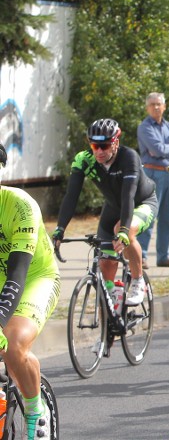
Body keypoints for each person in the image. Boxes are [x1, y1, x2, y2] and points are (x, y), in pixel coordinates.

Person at [53, 119, 158, 308]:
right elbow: (71, 196)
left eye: (105, 146)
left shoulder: (129, 157)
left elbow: (128, 197)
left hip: (141, 203)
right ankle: (107, 330)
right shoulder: (83, 160)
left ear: (116, 142)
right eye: (95, 145)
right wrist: (60, 229)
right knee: (105, 270)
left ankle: (137, 280)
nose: (99, 151)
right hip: (112, 208)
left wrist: (124, 231)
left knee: (122, 229)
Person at [0, 142, 61, 439]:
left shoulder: (20, 205)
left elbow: (18, 273)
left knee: (12, 344)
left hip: (34, 277)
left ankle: (37, 414)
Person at [137, 92, 169, 268]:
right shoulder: (144, 127)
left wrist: (168, 148)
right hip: (153, 173)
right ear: (147, 107)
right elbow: (156, 150)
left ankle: (163, 256)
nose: (156, 107)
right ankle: (141, 255)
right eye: (152, 104)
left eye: (159, 104)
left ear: (164, 106)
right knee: (149, 215)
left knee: (167, 218)